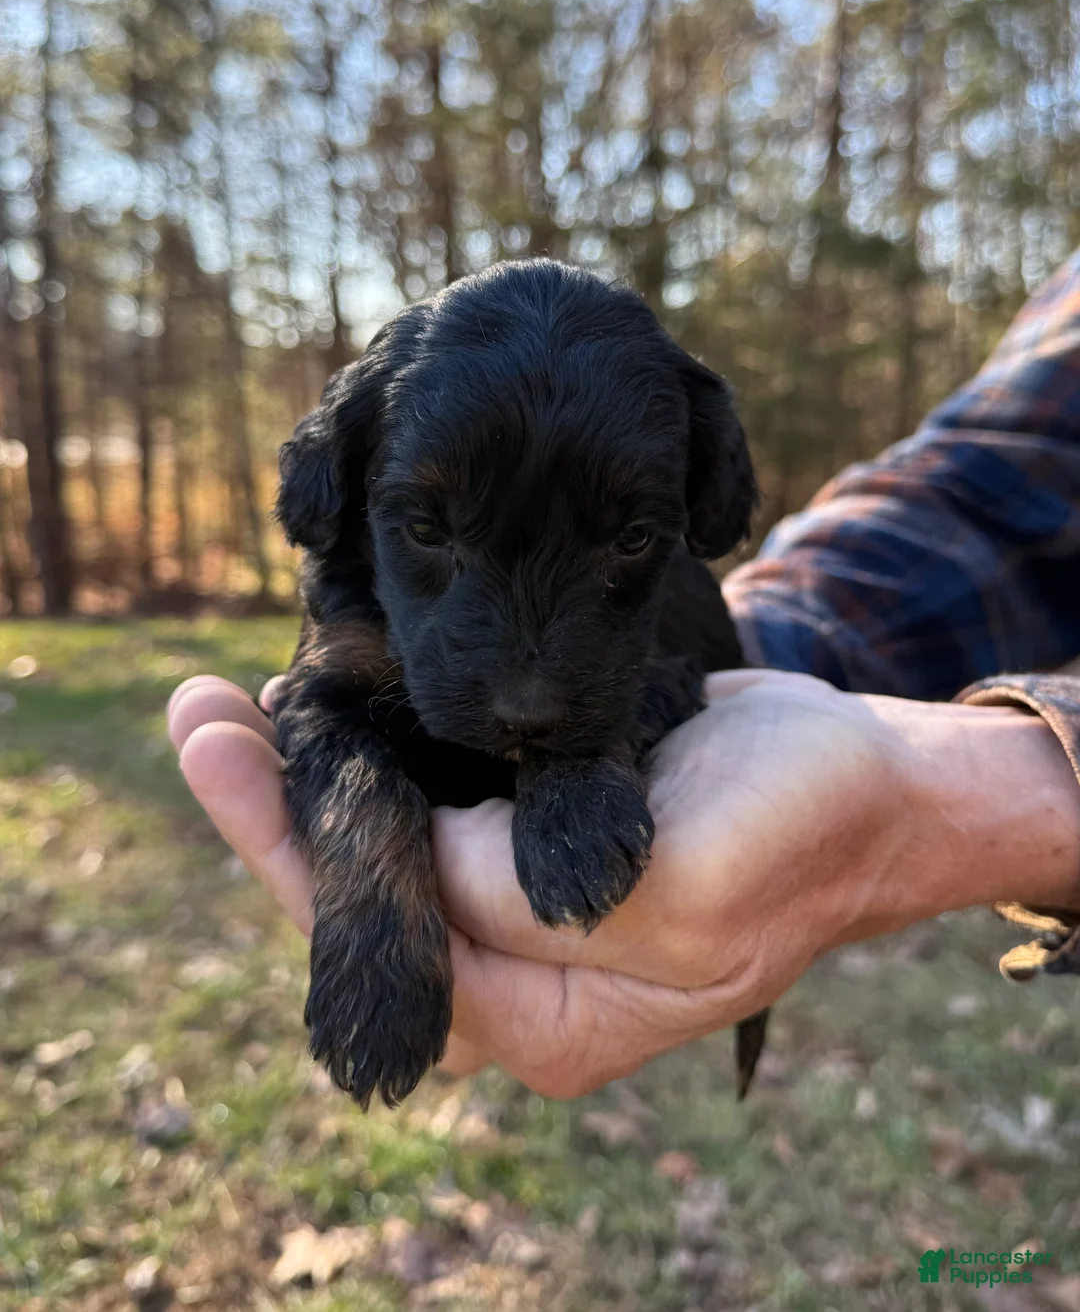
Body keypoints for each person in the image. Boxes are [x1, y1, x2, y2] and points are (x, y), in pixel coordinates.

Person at [167, 251, 1080, 1100]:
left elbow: (684, 659)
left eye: (631, 539)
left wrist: (597, 752)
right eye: (431, 532)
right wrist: (373, 900)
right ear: (348, 486)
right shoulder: (351, 586)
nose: (526, 689)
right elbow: (324, 713)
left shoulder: (668, 556)